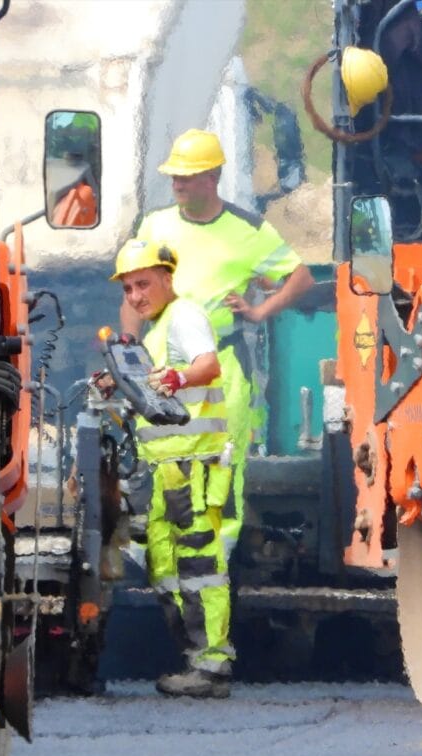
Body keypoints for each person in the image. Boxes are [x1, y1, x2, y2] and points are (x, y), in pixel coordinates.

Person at [120, 129, 314, 557]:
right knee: (160, 460)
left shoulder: (248, 231)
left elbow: (300, 278)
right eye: (173, 176)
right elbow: (135, 294)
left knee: (221, 465)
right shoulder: (155, 225)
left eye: (185, 176)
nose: (176, 184)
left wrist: (262, 311)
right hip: (159, 366)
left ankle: (214, 559)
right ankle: (161, 551)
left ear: (212, 178)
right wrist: (127, 349)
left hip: (222, 367)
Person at [111, 238, 235, 699]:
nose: (136, 296)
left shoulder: (184, 317)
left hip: (192, 471)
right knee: (167, 569)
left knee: (200, 567)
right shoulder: (157, 331)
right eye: (127, 290)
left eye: (143, 283)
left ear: (167, 278)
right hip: (167, 474)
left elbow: (207, 364)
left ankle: (213, 666)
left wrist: (179, 376)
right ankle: (196, 663)